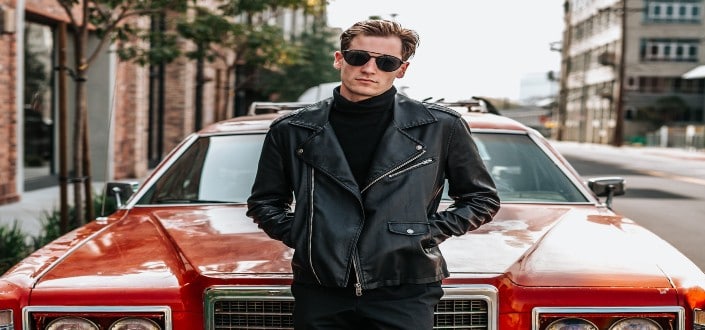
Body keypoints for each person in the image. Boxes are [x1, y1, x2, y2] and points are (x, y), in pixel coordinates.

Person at [247, 19, 500, 329]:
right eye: (358, 57)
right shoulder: (293, 129)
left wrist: (422, 234)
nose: (369, 68)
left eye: (386, 62)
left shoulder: (440, 127)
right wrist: (307, 235)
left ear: (401, 70)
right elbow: (265, 202)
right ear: (339, 59)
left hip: (405, 286)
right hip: (320, 287)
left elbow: (481, 198)